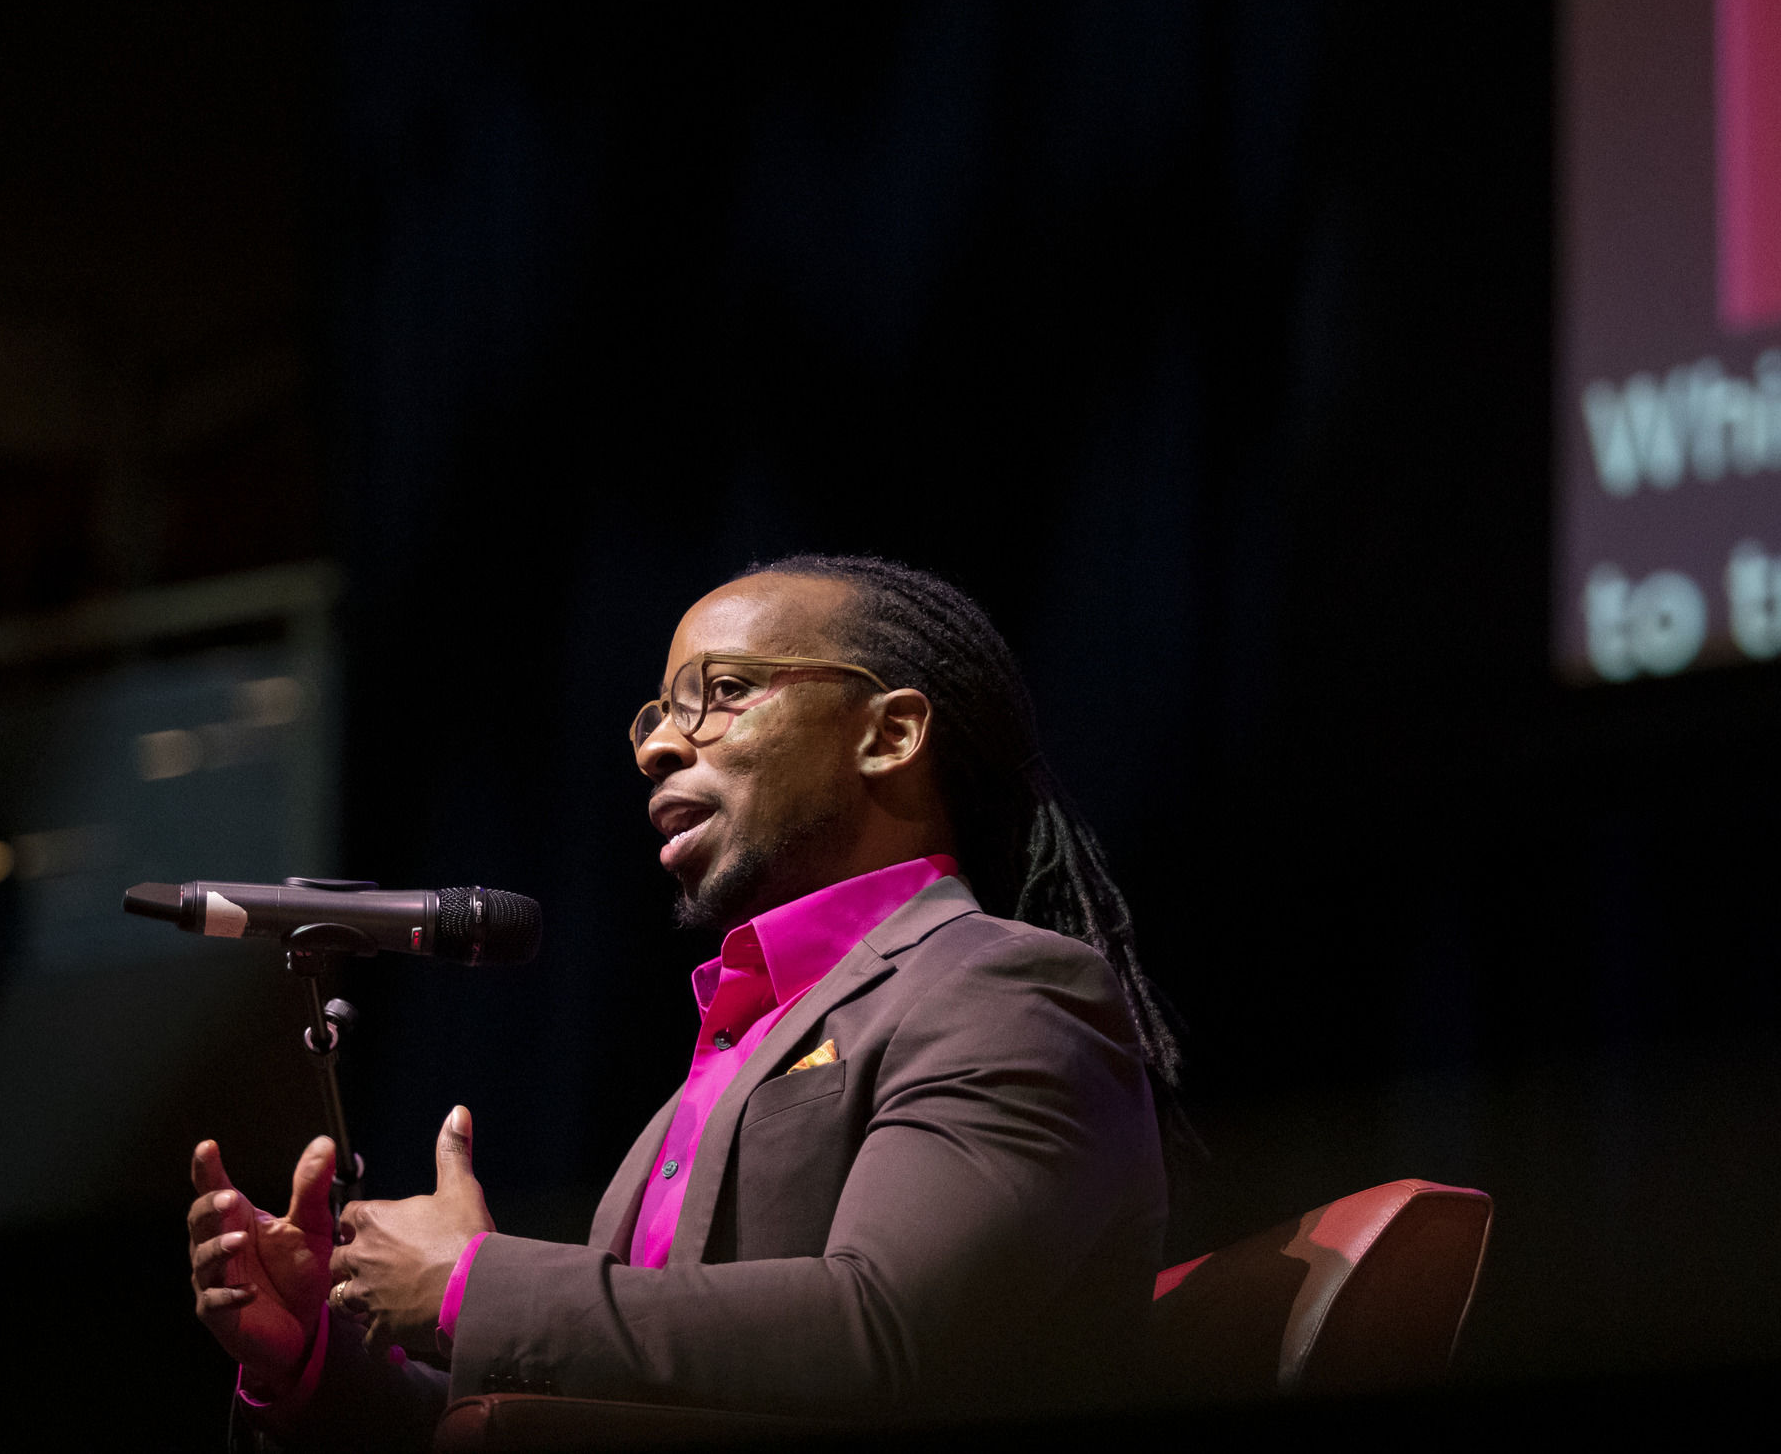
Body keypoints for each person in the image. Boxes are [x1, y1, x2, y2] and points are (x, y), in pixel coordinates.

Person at [183, 555, 1178, 1446]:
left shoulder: (996, 984)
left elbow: (895, 1331)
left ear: (890, 732)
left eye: (723, 692)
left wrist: (470, 1284)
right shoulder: (735, 1049)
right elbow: (561, 1410)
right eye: (656, 714)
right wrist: (308, 1359)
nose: (657, 746)